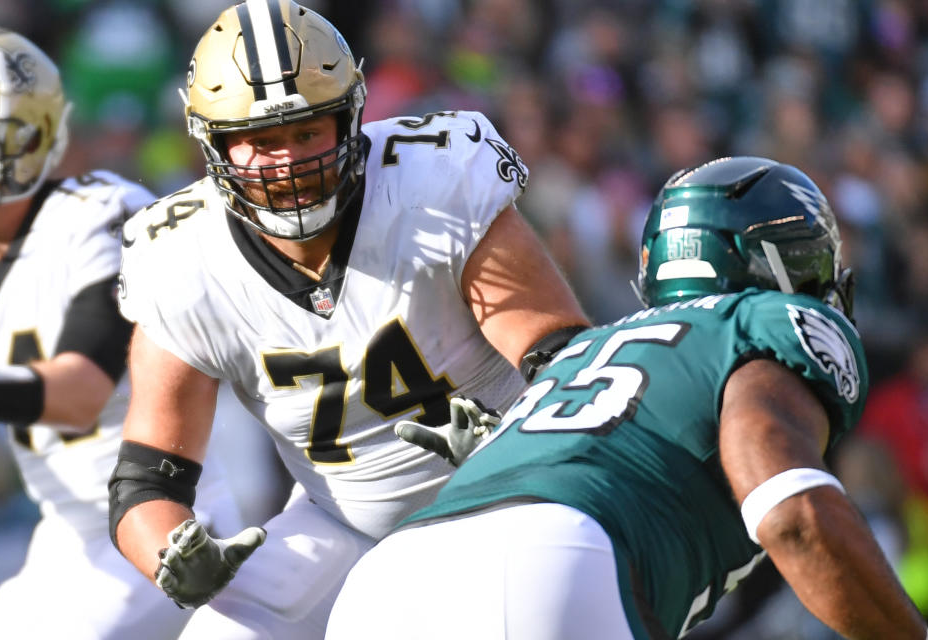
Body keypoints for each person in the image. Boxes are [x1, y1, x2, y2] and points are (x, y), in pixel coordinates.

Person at [109, 0, 589, 637]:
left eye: (307, 132)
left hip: (518, 482)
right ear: (216, 144)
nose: (290, 163)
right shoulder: (182, 260)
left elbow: (565, 357)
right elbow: (145, 482)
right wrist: (171, 557)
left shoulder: (433, 182)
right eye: (263, 141)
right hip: (343, 518)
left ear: (350, 119)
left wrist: (516, 440)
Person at [326, 156, 928, 640]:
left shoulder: (586, 350)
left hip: (383, 585)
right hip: (554, 565)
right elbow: (787, 508)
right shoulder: (767, 320)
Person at [0, 26, 246, 639]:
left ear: (29, 134)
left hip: (160, 517)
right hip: (62, 533)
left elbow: (79, 393)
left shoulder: (100, 216)